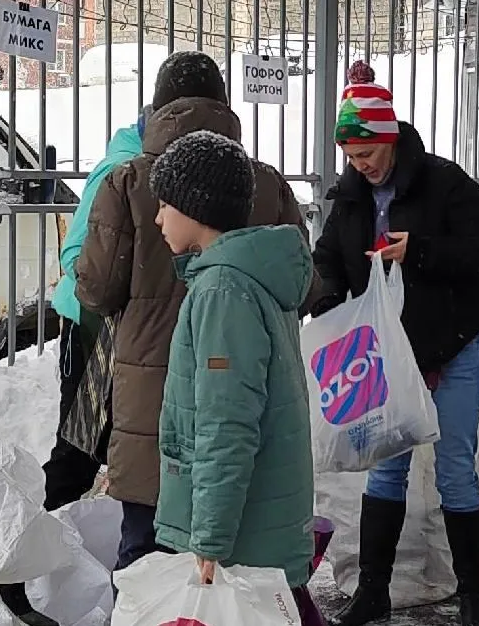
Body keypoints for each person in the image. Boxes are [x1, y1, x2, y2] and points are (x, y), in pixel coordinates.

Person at [74, 50, 319, 572]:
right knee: (232, 563)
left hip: (152, 395)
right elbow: (300, 281)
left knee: (144, 554)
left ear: (158, 106)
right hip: (250, 398)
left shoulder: (129, 181)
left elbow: (95, 289)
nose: (161, 217)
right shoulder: (264, 182)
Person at [311, 60, 479, 626]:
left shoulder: (444, 182)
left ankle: (472, 598)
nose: (361, 164)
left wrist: (418, 250)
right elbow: (328, 260)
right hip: (391, 350)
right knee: (386, 465)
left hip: (458, 339)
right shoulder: (350, 197)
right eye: (351, 156)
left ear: (390, 139)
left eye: (368, 152)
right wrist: (325, 304)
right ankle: (373, 590)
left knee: (454, 465)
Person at [148, 129, 324, 625]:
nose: (158, 218)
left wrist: (209, 539)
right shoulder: (247, 277)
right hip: (262, 518)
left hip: (243, 537)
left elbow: (226, 424)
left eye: (165, 205)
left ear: (195, 207)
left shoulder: (222, 290)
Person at [0, 105, 151, 626]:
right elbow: (75, 256)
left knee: (112, 449)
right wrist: (116, 292)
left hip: (127, 334)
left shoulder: (151, 167)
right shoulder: (119, 172)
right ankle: (28, 567)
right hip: (92, 333)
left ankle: (85, 563)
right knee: (80, 450)